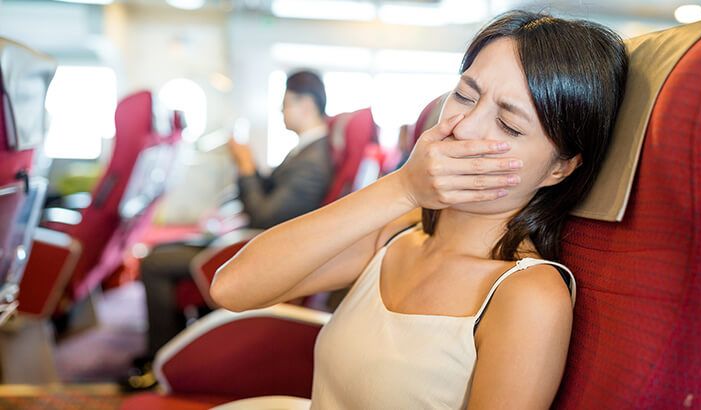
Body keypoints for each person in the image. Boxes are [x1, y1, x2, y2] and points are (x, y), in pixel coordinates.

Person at [211, 10, 628, 409]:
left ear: (559, 167)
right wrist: (402, 188)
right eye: (464, 96)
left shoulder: (528, 296)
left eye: (509, 126)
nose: (464, 127)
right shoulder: (398, 232)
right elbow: (232, 288)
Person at [122, 70, 333, 390]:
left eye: (285, 103)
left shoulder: (314, 160)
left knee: (153, 263)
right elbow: (271, 196)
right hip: (255, 240)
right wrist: (247, 164)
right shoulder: (304, 150)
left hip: (264, 252)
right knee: (162, 253)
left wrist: (246, 165)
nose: (280, 111)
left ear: (306, 105)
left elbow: (264, 216)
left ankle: (160, 360)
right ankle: (172, 355)